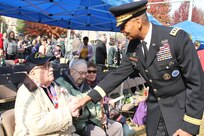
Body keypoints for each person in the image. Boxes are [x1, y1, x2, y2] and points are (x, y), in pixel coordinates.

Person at [74, 1, 204, 136]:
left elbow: (197, 83)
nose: (121, 31)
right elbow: (117, 75)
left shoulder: (175, 39)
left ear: (138, 22)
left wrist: (190, 127)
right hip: (155, 115)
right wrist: (85, 100)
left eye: (124, 26)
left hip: (179, 115)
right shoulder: (133, 47)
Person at [14, 52, 80, 136]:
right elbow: (37, 125)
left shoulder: (54, 86)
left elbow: (70, 100)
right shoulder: (26, 92)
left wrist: (76, 104)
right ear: (33, 73)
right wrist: (68, 112)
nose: (51, 69)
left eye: (50, 65)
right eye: (46, 67)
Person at [56, 59, 123, 136]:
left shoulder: (84, 84)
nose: (84, 76)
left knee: (117, 127)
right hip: (78, 124)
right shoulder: (61, 84)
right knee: (99, 134)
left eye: (85, 73)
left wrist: (102, 116)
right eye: (81, 73)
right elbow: (72, 108)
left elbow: (95, 101)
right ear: (72, 71)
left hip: (93, 120)